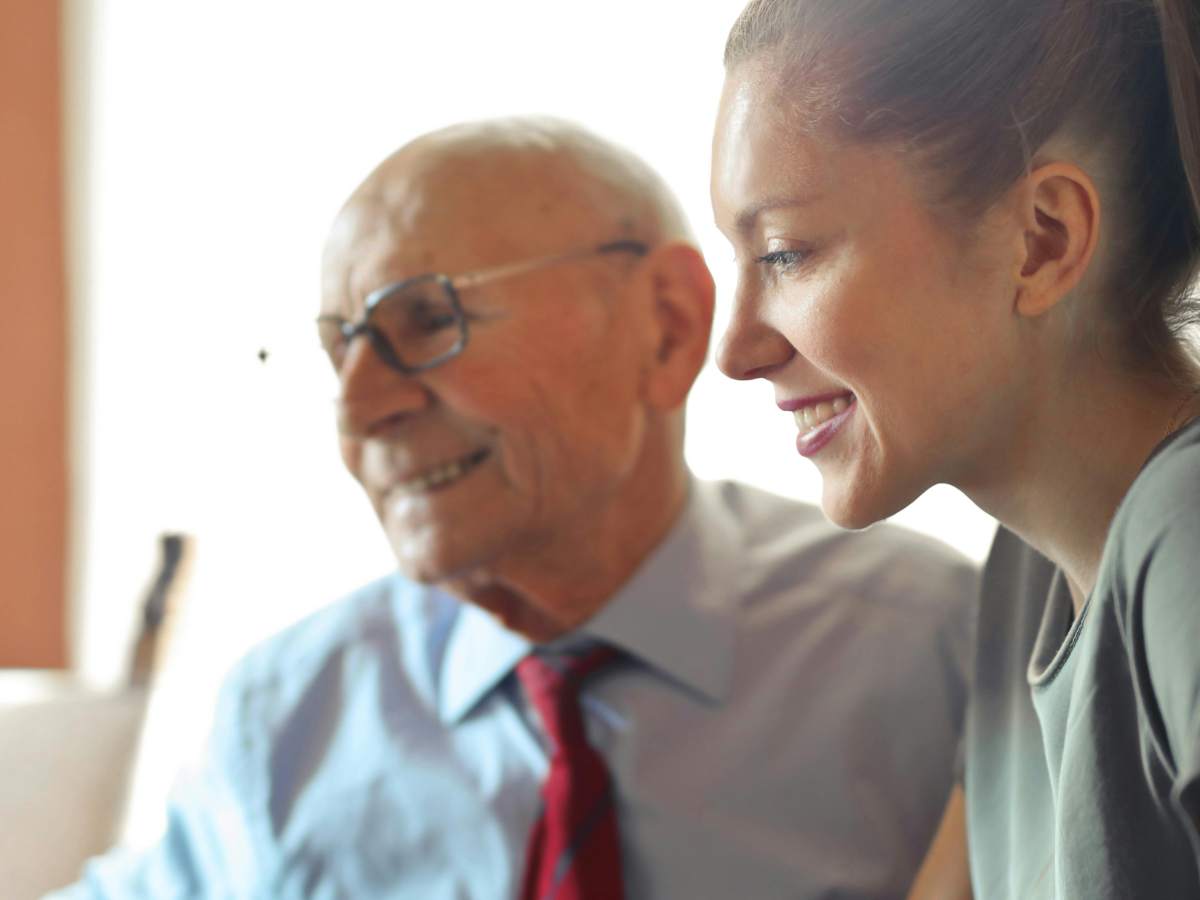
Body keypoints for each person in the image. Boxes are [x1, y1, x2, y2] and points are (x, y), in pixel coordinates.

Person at [56, 116, 976, 899]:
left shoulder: (936, 652)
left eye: (426, 321)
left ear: (666, 325)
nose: (358, 407)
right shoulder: (291, 714)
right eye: (341, 349)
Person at [712, 1, 1200, 897]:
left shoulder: (1188, 535)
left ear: (1039, 240)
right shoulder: (1031, 574)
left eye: (784, 254)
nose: (736, 350)